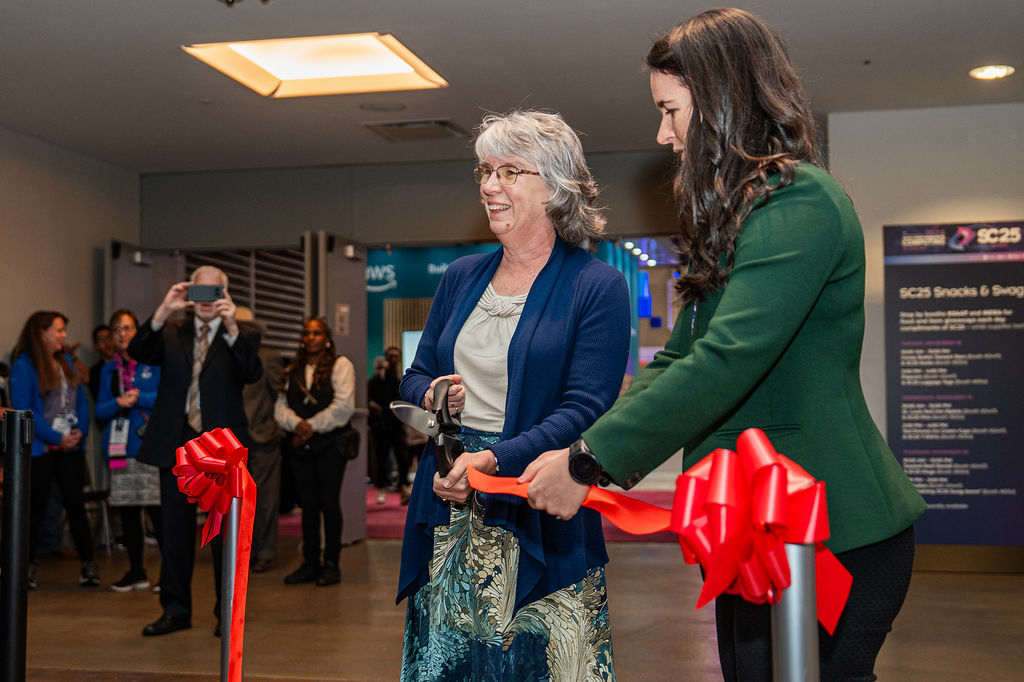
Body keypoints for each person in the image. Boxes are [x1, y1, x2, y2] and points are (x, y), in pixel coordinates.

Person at [522, 9, 927, 682]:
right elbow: (680, 356)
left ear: (721, 100)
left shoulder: (799, 202)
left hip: (832, 531)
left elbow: (726, 359)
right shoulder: (748, 212)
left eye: (671, 110)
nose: (663, 133)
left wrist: (590, 462)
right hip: (756, 527)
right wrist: (578, 449)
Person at [396, 110, 631, 680]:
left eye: (509, 171)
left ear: (553, 186)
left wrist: (497, 457)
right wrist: (433, 395)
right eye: (484, 169)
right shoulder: (460, 276)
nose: (489, 185)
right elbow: (414, 375)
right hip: (450, 500)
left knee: (536, 663)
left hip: (538, 498)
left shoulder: (595, 285)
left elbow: (585, 408)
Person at [128, 265, 263, 637]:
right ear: (189, 294)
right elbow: (138, 349)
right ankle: (175, 610)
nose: (206, 301)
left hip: (222, 448)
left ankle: (228, 614)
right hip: (176, 445)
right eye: (199, 293)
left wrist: (232, 326)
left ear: (225, 293)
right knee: (173, 534)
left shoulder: (245, 332)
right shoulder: (172, 331)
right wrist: (164, 309)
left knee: (225, 536)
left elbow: (252, 372)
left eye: (214, 292)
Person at [9, 311, 100, 588]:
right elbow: (25, 411)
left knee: (76, 507)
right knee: (34, 508)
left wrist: (79, 432)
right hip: (41, 449)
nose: (63, 336)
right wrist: (55, 437)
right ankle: (26, 567)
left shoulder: (65, 362)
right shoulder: (24, 366)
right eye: (58, 330)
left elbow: (82, 402)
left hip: (70, 448)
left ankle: (89, 565)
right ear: (41, 333)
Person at [274, 316, 356, 587]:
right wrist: (296, 424)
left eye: (317, 333)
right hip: (300, 446)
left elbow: (343, 407)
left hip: (330, 446)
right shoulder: (292, 368)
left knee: (328, 505)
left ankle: (331, 564)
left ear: (327, 338)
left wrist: (312, 425)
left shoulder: (340, 365)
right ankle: (310, 563)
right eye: (307, 333)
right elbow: (280, 407)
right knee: (308, 506)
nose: (311, 337)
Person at [95, 308, 162, 591]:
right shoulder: (109, 370)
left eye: (128, 328)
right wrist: (119, 403)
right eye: (117, 329)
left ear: (138, 332)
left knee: (158, 512)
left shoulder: (154, 362)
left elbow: (167, 398)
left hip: (149, 446)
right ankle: (137, 571)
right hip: (120, 447)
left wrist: (140, 398)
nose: (123, 334)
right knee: (128, 513)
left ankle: (170, 573)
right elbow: (101, 409)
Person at [235, 306, 285, 573]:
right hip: (231, 441)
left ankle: (265, 552)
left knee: (265, 500)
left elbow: (281, 395)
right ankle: (242, 551)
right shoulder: (223, 355)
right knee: (236, 501)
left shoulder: (268, 357)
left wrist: (277, 428)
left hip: (262, 437)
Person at [367, 350, 404, 504]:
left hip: (396, 425)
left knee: (402, 457)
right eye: (391, 357)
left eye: (396, 357)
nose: (394, 360)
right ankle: (381, 487)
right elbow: (368, 398)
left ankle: (403, 487)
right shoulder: (375, 380)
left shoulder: (399, 380)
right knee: (381, 458)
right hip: (380, 427)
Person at [88, 324, 116, 402]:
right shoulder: (94, 372)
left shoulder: (126, 365)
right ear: (96, 346)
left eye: (109, 338)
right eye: (102, 340)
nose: (107, 343)